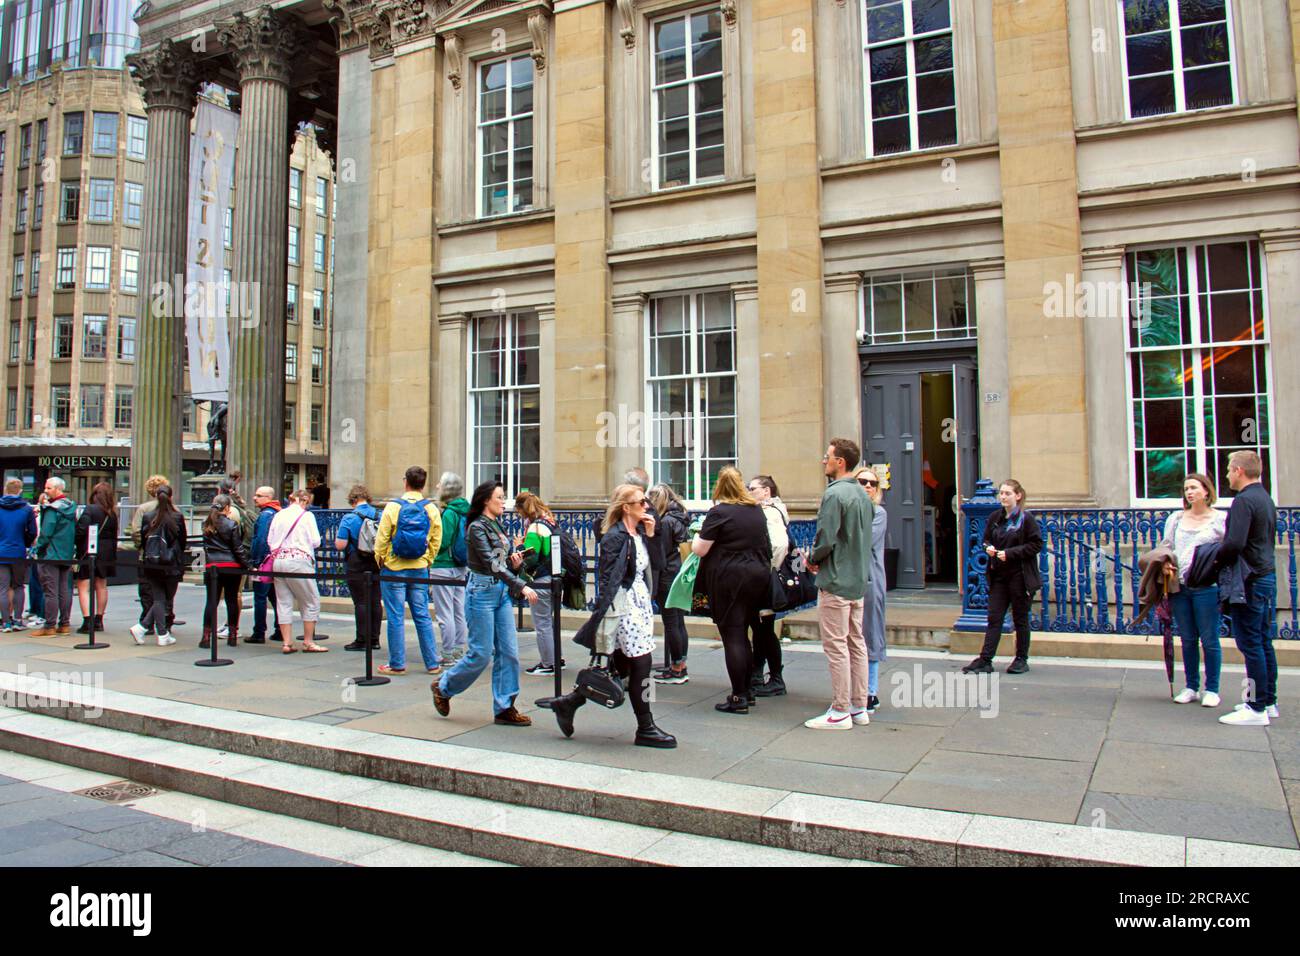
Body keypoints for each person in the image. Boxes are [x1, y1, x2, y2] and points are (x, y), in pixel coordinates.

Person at [551, 484, 675, 747]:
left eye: (646, 501)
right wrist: (604, 616)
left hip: (639, 603)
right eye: (641, 502)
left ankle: (569, 702)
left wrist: (653, 535)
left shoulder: (641, 531)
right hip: (623, 606)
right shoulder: (615, 536)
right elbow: (608, 578)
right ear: (626, 507)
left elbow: (658, 566)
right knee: (643, 665)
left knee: (622, 667)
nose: (647, 506)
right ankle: (646, 727)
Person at [432, 480, 536, 726]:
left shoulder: (495, 523)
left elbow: (500, 560)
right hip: (481, 592)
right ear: (486, 500)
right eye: (500, 497)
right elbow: (492, 563)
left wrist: (515, 560)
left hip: (499, 592)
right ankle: (443, 687)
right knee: (480, 654)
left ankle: (504, 707)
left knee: (509, 652)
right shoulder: (476, 527)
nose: (503, 501)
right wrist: (520, 584)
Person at [804, 439, 873, 729]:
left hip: (836, 579)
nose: (824, 461)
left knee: (836, 647)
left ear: (840, 461)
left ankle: (841, 709)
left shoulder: (834, 495)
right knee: (856, 643)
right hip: (857, 580)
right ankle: (859, 705)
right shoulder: (862, 494)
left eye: (827, 456)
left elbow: (826, 538)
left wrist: (812, 557)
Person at [693, 467, 772, 715]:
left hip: (730, 578)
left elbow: (700, 549)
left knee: (733, 636)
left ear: (719, 487)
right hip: (757, 576)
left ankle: (738, 697)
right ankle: (747, 691)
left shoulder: (719, 512)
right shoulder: (756, 511)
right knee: (746, 631)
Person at [1217, 451, 1279, 726]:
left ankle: (1255, 708)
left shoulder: (1243, 501)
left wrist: (1215, 560)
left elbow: (1233, 544)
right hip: (1265, 576)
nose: (1228, 474)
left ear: (1240, 470)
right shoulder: (1265, 498)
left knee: (1250, 643)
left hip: (1249, 580)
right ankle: (1268, 701)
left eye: (1230, 469)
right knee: (1263, 641)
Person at [962, 479, 1042, 676]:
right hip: (999, 575)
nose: (1003, 497)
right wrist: (988, 548)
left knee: (1020, 618)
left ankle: (1021, 659)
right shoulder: (996, 517)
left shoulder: (1026, 519)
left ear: (1018, 496)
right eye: (1002, 493)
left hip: (1020, 576)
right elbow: (986, 539)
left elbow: (1036, 544)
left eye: (1007, 493)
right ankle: (985, 659)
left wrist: (1010, 553)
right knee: (994, 617)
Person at [1160, 474, 1225, 709]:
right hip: (1180, 585)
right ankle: (1191, 686)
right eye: (1186, 488)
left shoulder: (1219, 519)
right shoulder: (1176, 519)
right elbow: (1166, 547)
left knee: (1209, 638)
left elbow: (1227, 552)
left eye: (1194, 488)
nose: (1189, 492)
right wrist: (1165, 563)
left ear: (1206, 491)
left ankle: (1213, 688)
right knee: (1187, 638)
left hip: (1207, 586)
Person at [373, 466, 442, 676]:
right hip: (419, 568)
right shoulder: (431, 509)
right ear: (423, 483)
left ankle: (397, 664)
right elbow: (436, 539)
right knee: (422, 615)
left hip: (394, 568)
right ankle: (432, 663)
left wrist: (382, 559)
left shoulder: (393, 507)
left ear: (406, 482)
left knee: (395, 617)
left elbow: (382, 538)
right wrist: (428, 559)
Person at [267, 488, 327, 653]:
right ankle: (308, 641)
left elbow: (270, 540)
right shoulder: (307, 516)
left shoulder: (279, 514)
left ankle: (287, 642)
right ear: (305, 501)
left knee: (283, 602)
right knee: (311, 600)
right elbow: (315, 541)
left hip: (279, 560)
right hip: (299, 560)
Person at [746, 475, 790, 697]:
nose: (748, 491)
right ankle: (758, 674)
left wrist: (766, 568)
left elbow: (780, 545)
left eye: (752, 488)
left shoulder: (771, 513)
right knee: (761, 629)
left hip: (765, 579)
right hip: (765, 577)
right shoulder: (771, 510)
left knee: (764, 629)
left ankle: (774, 678)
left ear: (766, 491)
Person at [129, 485, 185, 646]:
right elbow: (182, 542)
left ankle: (151, 630)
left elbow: (143, 538)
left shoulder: (148, 516)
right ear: (171, 497)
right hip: (171, 563)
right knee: (165, 599)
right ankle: (157, 632)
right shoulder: (177, 516)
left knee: (159, 598)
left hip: (152, 563)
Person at [516, 491, 564, 677]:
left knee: (542, 623)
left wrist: (520, 546)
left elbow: (532, 558)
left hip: (541, 579)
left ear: (522, 509)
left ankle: (548, 663)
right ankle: (556, 659)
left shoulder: (535, 528)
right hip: (554, 577)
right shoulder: (549, 522)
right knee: (550, 622)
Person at [854, 466, 888, 713]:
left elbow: (862, 542)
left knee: (870, 633)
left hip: (870, 579)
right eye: (863, 481)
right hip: (849, 580)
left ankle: (870, 691)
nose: (868, 486)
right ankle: (854, 689)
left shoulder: (878, 513)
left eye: (873, 483)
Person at [334, 484, 383, 652]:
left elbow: (340, 545)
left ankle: (362, 639)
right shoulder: (380, 515)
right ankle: (375, 639)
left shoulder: (349, 518)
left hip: (356, 560)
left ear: (353, 500)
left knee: (361, 602)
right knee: (375, 600)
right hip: (376, 560)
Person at [651, 483, 691, 685]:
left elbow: (661, 552)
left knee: (671, 623)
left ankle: (676, 668)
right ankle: (681, 664)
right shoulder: (680, 517)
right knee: (679, 620)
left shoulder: (666, 522)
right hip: (680, 571)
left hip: (668, 574)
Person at [199, 493, 250, 648]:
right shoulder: (231, 524)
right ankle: (232, 635)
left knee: (211, 601)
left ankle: (206, 636)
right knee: (231, 600)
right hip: (231, 566)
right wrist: (246, 564)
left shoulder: (205, 524)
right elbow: (237, 548)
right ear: (227, 507)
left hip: (212, 566)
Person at [430, 472, 470, 664]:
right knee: (458, 609)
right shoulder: (466, 510)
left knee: (445, 612)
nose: (436, 485)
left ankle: (448, 653)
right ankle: (460, 650)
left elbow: (443, 541)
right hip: (461, 565)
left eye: (440, 483)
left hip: (444, 565)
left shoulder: (448, 513)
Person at [31, 477, 78, 636]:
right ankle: (64, 624)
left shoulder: (52, 509)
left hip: (50, 554)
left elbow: (45, 533)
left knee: (50, 591)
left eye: (49, 488)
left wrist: (37, 549)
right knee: (65, 590)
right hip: (66, 553)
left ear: (58, 489)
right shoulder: (71, 507)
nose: (46, 490)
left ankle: (49, 626)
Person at [74, 482, 118, 634]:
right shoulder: (112, 513)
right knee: (102, 585)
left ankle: (87, 621)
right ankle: (99, 619)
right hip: (107, 552)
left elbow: (81, 530)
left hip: (90, 550)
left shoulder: (90, 509)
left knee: (83, 585)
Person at [0, 478, 36, 632]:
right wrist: (25, 543)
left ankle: (5, 622)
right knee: (18, 586)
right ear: (20, 491)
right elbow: (33, 532)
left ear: (6, 490)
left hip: (1, 552)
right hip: (18, 552)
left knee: (2, 588)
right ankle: (18, 620)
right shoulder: (26, 509)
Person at [247, 485, 282, 644]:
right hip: (275, 560)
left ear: (268, 498)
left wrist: (256, 561)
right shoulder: (277, 512)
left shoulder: (266, 515)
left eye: (258, 495)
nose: (255, 498)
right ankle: (280, 629)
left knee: (260, 597)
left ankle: (259, 631)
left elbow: (260, 539)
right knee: (275, 597)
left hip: (264, 562)